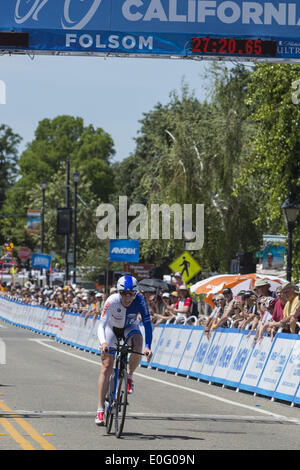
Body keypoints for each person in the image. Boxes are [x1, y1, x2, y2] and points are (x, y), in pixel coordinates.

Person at [95, 275, 153, 426]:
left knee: (138, 344)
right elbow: (101, 324)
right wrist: (103, 343)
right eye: (124, 294)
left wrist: (148, 346)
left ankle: (130, 376)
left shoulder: (140, 301)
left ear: (135, 293)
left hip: (129, 328)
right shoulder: (111, 300)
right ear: (119, 292)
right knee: (107, 366)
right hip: (111, 329)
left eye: (131, 294)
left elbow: (147, 324)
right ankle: (100, 409)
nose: (128, 298)